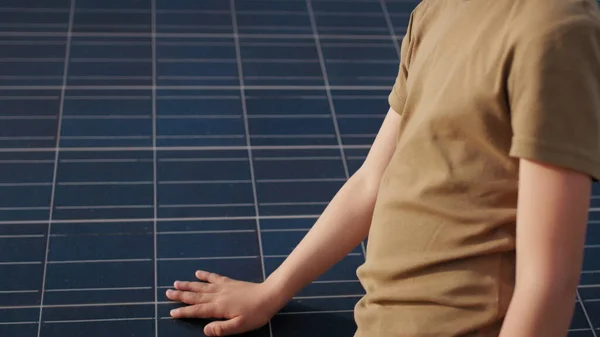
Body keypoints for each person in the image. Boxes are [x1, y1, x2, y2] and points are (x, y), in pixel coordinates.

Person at [165, 0, 600, 336]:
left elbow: (550, 281)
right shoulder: (439, 11)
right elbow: (372, 181)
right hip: (381, 318)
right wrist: (270, 291)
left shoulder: (554, 33)